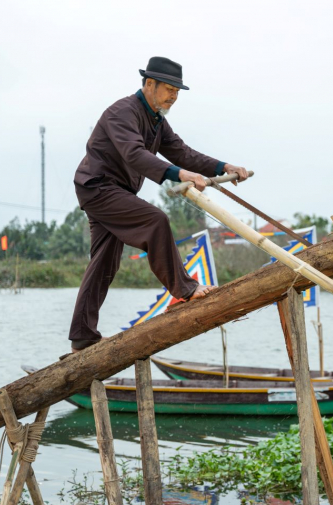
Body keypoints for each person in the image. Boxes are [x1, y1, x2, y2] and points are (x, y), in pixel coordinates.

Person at [68, 56, 249, 353]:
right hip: (99, 187)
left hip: (116, 191)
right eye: (169, 90)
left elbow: (182, 152)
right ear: (149, 84)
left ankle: (82, 336)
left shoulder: (157, 120)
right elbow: (135, 155)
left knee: (104, 262)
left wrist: (222, 166)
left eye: (177, 92)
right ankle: (184, 289)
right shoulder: (121, 113)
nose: (173, 97)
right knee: (155, 220)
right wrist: (178, 174)